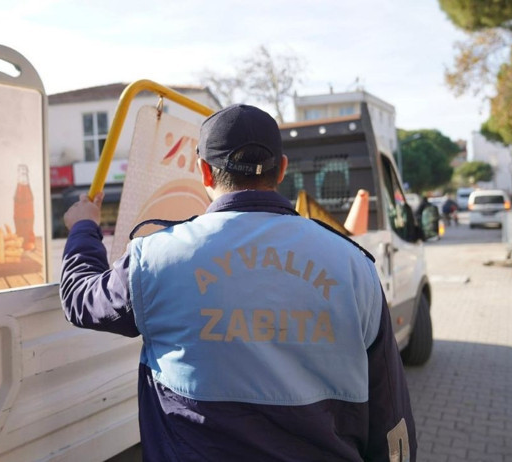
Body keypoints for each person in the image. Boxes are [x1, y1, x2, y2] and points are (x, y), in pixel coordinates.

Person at [60, 104, 416, 461]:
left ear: (203, 171)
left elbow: (81, 298)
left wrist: (83, 228)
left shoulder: (155, 257)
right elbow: (389, 410)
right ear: (283, 169)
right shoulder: (355, 266)